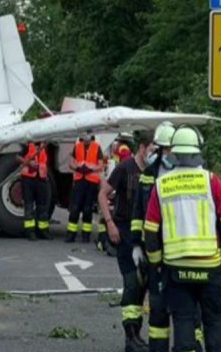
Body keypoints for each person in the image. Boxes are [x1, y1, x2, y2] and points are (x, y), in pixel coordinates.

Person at [144, 126, 221, 352]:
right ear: (197, 152)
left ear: (174, 154)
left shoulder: (161, 185)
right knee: (215, 324)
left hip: (176, 269)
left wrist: (156, 263)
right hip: (210, 266)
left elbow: (150, 230)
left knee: (183, 324)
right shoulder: (211, 181)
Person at [99, 130, 153, 352]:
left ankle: (137, 334)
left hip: (145, 238)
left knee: (142, 287)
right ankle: (130, 336)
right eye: (152, 149)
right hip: (124, 233)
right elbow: (103, 193)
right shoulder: (125, 168)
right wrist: (109, 223)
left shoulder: (154, 171)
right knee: (131, 284)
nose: (154, 153)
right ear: (142, 148)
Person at [129, 122, 177, 352]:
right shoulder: (149, 174)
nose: (167, 153)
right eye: (164, 149)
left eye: (170, 149)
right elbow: (139, 211)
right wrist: (137, 245)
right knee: (157, 308)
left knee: (185, 310)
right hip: (154, 249)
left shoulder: (187, 174)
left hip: (178, 250)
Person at [66, 131, 104, 243]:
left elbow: (101, 164)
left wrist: (91, 169)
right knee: (75, 208)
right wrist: (77, 168)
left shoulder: (97, 147)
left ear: (91, 136)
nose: (85, 138)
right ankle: (70, 234)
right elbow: (71, 163)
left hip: (91, 181)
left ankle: (86, 235)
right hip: (79, 180)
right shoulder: (77, 147)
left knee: (88, 209)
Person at [17, 141, 51, 241]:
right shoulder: (27, 146)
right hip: (28, 179)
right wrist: (28, 162)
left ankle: (43, 231)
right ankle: (30, 232)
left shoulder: (44, 145)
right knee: (29, 207)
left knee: (43, 208)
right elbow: (17, 157)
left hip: (41, 180)